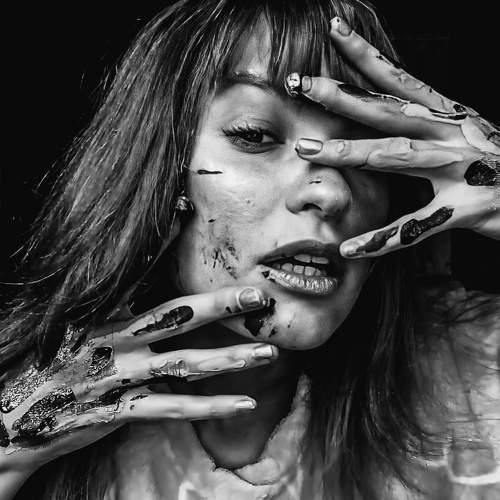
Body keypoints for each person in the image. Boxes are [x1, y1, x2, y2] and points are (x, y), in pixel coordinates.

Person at [1, 0, 499, 499]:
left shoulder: (475, 371)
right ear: (155, 165)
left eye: (367, 152)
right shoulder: (22, 403)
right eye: (255, 134)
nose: (331, 192)